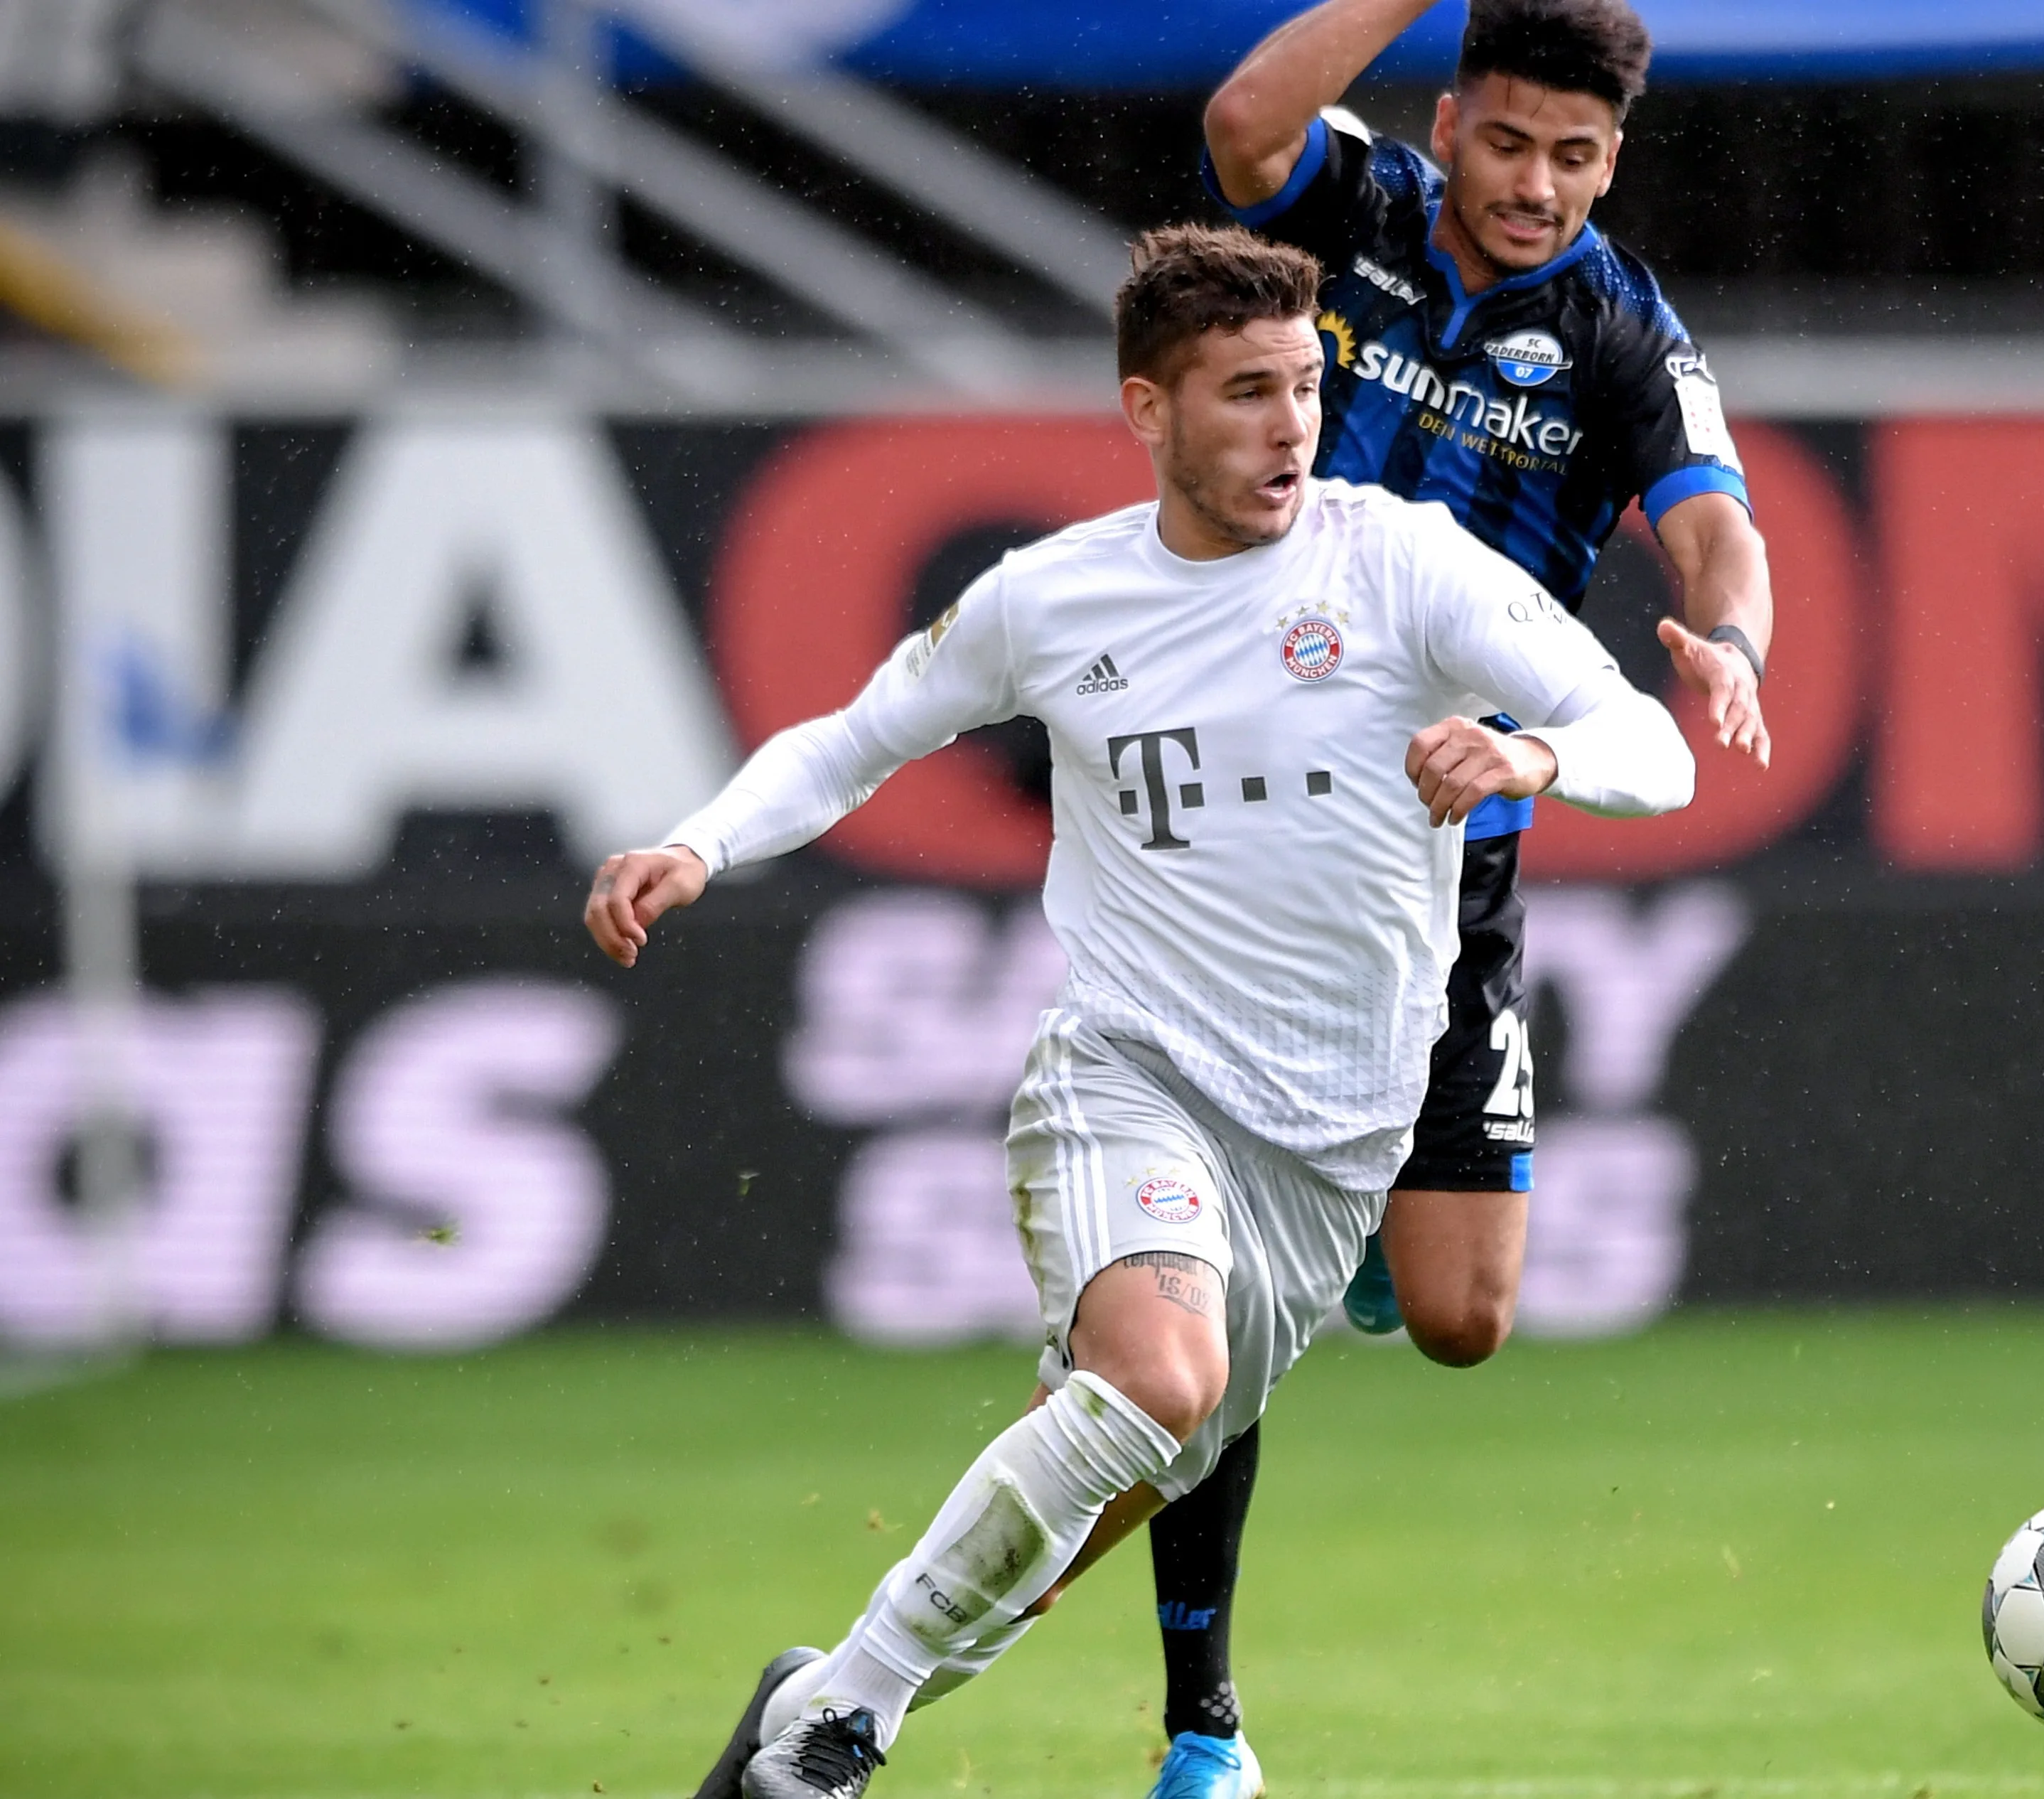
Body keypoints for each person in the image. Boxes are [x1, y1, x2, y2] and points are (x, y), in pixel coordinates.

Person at [591, 222, 1694, 1799]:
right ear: (1147, 410)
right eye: (1246, 392)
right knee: (1156, 1386)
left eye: (1308, 385)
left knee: (1093, 1485)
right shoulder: (1054, 597)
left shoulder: (1404, 564)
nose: (1290, 425)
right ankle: (838, 1741)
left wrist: (1539, 757)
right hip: (1130, 1078)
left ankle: (819, 1694)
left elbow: (1652, 744)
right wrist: (695, 844)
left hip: (1334, 1152)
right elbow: (853, 737)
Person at [1135, 5, 1780, 1788]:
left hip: (1450, 855)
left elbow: (1720, 527)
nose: (1536, 186)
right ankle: (1204, 1723)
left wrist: (1723, 642)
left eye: (1577, 158)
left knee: (1461, 1315)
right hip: (1252, 843)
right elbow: (1249, 113)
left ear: (1615, 162)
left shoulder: (1624, 329)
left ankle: (1339, 1225)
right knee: (1226, 1290)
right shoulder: (1352, 208)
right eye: (1510, 144)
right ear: (1452, 119)